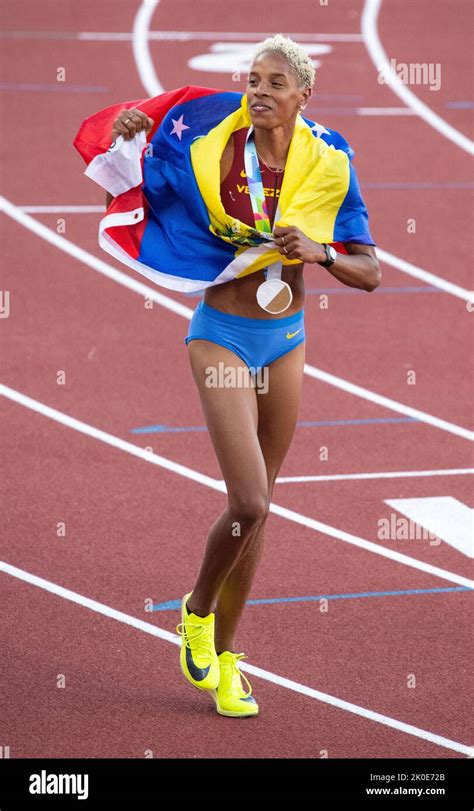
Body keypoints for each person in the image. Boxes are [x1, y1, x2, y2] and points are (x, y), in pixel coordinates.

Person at [106, 35, 381, 718]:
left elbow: (370, 271)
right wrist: (130, 139)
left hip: (285, 341)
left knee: (258, 517)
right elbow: (140, 180)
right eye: (252, 78)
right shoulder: (213, 148)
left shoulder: (328, 162)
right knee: (251, 500)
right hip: (220, 336)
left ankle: (227, 661)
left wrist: (321, 254)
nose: (258, 90)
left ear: (302, 96)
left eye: (274, 82)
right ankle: (196, 612)